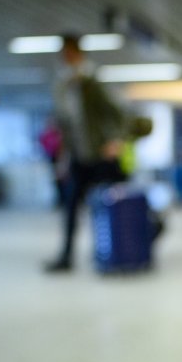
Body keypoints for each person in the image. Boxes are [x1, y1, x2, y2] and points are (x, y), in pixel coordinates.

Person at [44, 33, 128, 272]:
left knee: (104, 207)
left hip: (101, 157)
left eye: (70, 53)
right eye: (64, 54)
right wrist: (62, 157)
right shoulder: (62, 86)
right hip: (79, 158)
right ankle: (66, 257)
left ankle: (109, 251)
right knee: (70, 206)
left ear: (79, 53)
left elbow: (118, 114)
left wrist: (116, 141)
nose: (66, 58)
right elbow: (65, 126)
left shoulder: (92, 83)